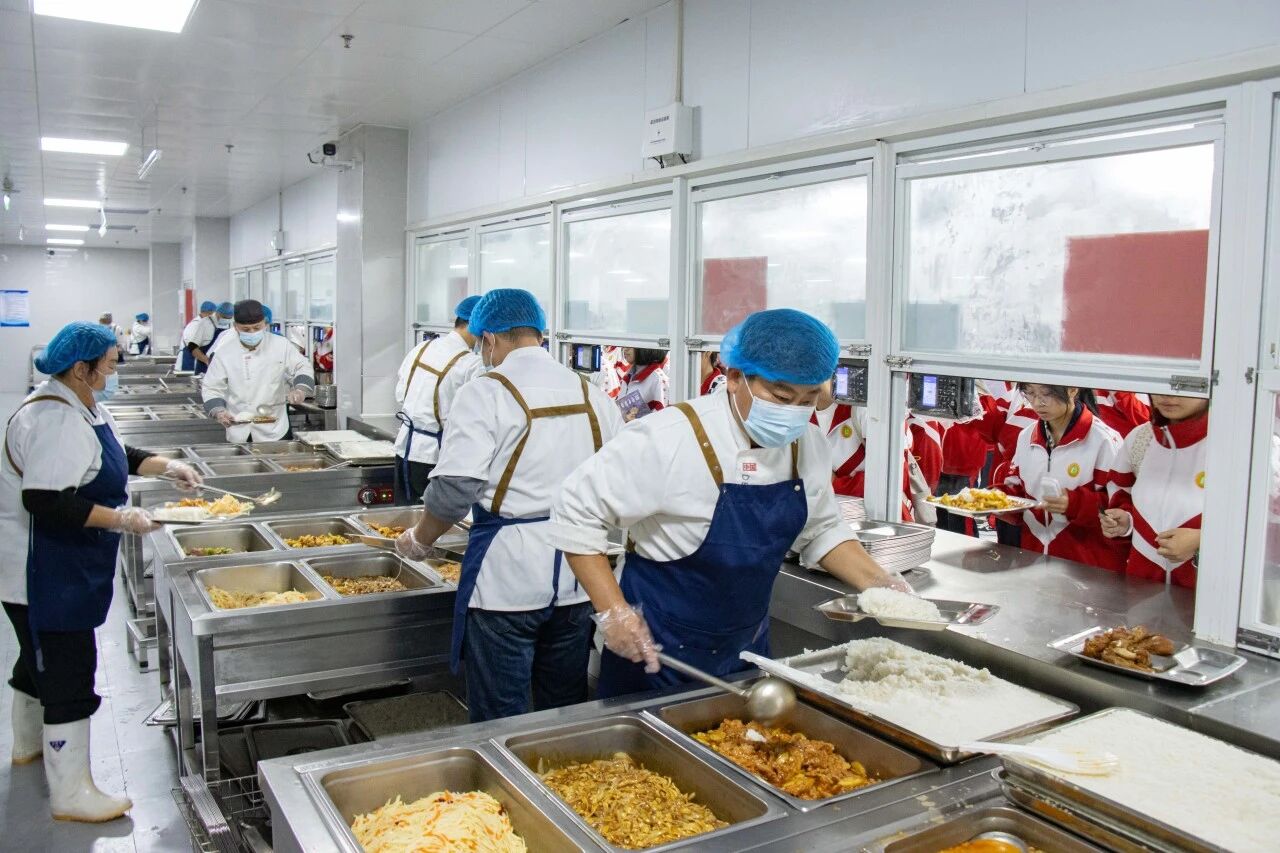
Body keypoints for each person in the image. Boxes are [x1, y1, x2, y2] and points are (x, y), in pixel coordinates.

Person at [547, 309, 910, 697]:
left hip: (746, 650)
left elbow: (821, 530)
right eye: (781, 397)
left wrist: (881, 585)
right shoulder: (670, 437)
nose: (793, 413)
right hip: (654, 652)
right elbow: (576, 509)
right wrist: (613, 611)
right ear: (735, 377)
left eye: (807, 401)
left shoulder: (808, 446)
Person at [0, 322, 202, 822]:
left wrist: (167, 466)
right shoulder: (54, 419)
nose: (113, 373)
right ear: (81, 368)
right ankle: (71, 793)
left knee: (36, 661)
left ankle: (27, 746)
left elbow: (117, 455)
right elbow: (46, 500)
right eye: (109, 366)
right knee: (67, 673)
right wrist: (122, 519)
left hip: (59, 563)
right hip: (41, 569)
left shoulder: (80, 404)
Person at [394, 289, 623, 722]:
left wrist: (420, 540)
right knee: (564, 709)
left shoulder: (485, 393)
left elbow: (453, 491)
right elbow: (617, 481)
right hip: (580, 578)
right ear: (539, 333)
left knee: (500, 714)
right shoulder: (593, 395)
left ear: (490, 339)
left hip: (507, 582)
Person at [998, 384, 1127, 571]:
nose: (1037, 403)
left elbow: (1120, 507)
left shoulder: (1104, 440)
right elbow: (1017, 489)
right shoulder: (1026, 436)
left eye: (1047, 394)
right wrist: (996, 500)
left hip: (1088, 568)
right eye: (1030, 394)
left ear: (1073, 389)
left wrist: (1075, 504)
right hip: (1034, 563)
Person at [1102, 394, 1209, 588]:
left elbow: (1261, 531)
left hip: (1209, 592)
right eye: (1163, 384)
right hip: (1142, 587)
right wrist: (1126, 521)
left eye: (1184, 385)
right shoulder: (1141, 438)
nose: (1167, 395)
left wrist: (1201, 540)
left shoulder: (1238, 445)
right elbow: (1121, 492)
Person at [392, 296, 484, 503]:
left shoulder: (422, 347)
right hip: (435, 457)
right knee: (435, 518)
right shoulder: (471, 364)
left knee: (404, 515)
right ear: (477, 326)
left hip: (404, 448)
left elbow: (400, 394)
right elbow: (477, 418)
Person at [201, 300, 314, 442]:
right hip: (238, 428)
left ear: (265, 324)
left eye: (257, 327)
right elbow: (211, 387)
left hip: (274, 429)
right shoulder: (224, 353)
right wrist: (219, 411)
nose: (252, 332)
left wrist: (300, 390)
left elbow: (302, 366)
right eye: (246, 329)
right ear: (235, 327)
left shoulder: (281, 345)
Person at [616, 348, 669, 421]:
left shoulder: (658, 378)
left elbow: (662, 417)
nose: (626, 349)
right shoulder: (629, 375)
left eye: (632, 345)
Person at [180, 301, 217, 372]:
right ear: (209, 313)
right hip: (190, 360)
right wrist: (206, 360)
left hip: (196, 359)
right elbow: (191, 347)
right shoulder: (196, 324)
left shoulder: (204, 323)